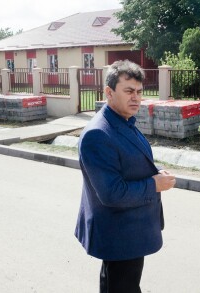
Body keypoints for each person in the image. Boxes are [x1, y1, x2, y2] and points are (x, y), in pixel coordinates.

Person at [74, 60, 177, 292]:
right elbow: (111, 193)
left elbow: (130, 160)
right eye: (129, 91)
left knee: (119, 284)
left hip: (130, 229)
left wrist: (155, 172)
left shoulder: (123, 120)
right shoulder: (98, 134)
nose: (136, 97)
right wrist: (154, 184)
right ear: (109, 92)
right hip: (119, 233)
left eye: (139, 92)